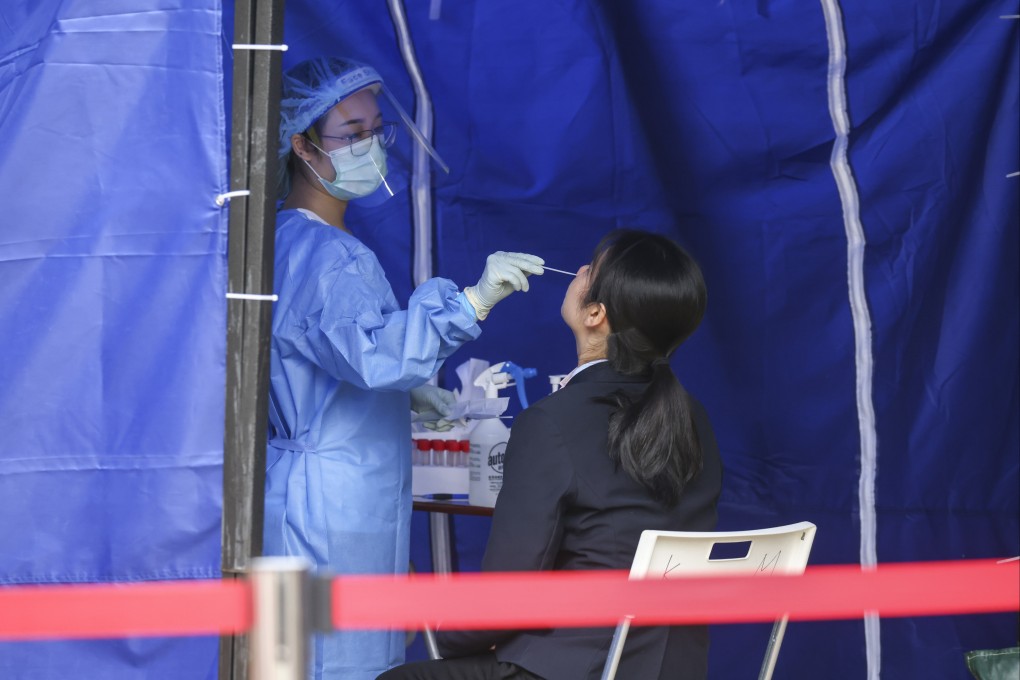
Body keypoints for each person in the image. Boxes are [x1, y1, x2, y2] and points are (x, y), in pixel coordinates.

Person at [263, 56, 545, 680]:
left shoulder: (285, 240)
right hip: (331, 509)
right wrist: (474, 301)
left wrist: (408, 391)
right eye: (351, 133)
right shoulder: (329, 256)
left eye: (375, 129)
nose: (370, 145)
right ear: (301, 145)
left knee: (292, 657)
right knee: (335, 663)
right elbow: (374, 356)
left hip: (310, 493)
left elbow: (324, 355)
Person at [379, 229, 723, 680]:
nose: (578, 271)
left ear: (596, 313)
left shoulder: (552, 422)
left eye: (590, 270)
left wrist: (444, 631)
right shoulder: (694, 418)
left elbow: (506, 598)